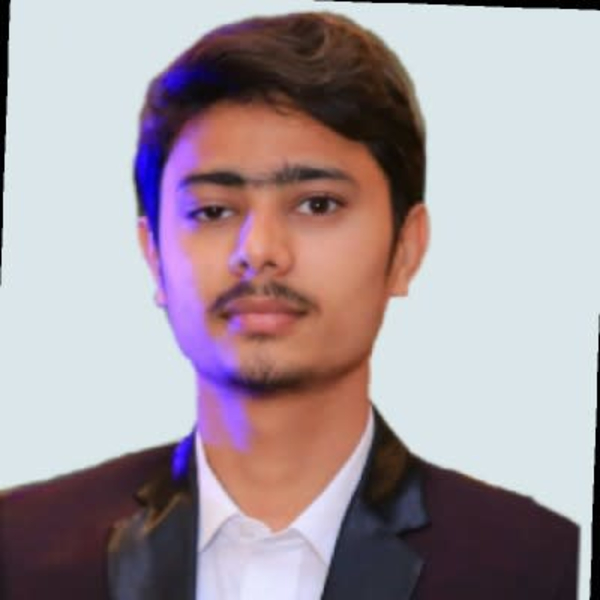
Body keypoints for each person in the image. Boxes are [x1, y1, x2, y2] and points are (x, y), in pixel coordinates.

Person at [0, 11, 579, 600]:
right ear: (154, 257)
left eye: (317, 205)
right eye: (213, 211)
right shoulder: (19, 551)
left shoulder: (539, 566)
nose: (259, 252)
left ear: (406, 248)